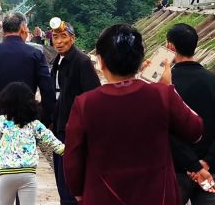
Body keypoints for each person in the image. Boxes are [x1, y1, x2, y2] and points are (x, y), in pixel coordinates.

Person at [64, 24, 203, 205]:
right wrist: (169, 87)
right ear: (140, 59)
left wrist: (79, 192)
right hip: (157, 196)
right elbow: (195, 131)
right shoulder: (162, 95)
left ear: (101, 62)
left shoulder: (85, 104)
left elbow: (72, 159)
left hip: (104, 196)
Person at [0, 12, 55, 205]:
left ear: (3, 30)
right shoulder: (35, 54)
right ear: (23, 29)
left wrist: (3, 106)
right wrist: (44, 120)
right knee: (25, 173)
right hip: (27, 122)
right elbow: (47, 90)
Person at [48, 18, 101, 205]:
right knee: (61, 180)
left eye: (64, 37)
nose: (59, 41)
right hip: (59, 129)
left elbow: (93, 97)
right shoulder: (57, 61)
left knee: (71, 182)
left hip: (74, 132)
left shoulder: (82, 62)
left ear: (73, 39)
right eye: (55, 37)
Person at [161, 23, 215, 204]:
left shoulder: (163, 86)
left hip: (175, 171)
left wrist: (192, 165)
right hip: (209, 171)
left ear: (170, 47)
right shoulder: (211, 81)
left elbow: (163, 129)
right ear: (195, 46)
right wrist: (206, 162)